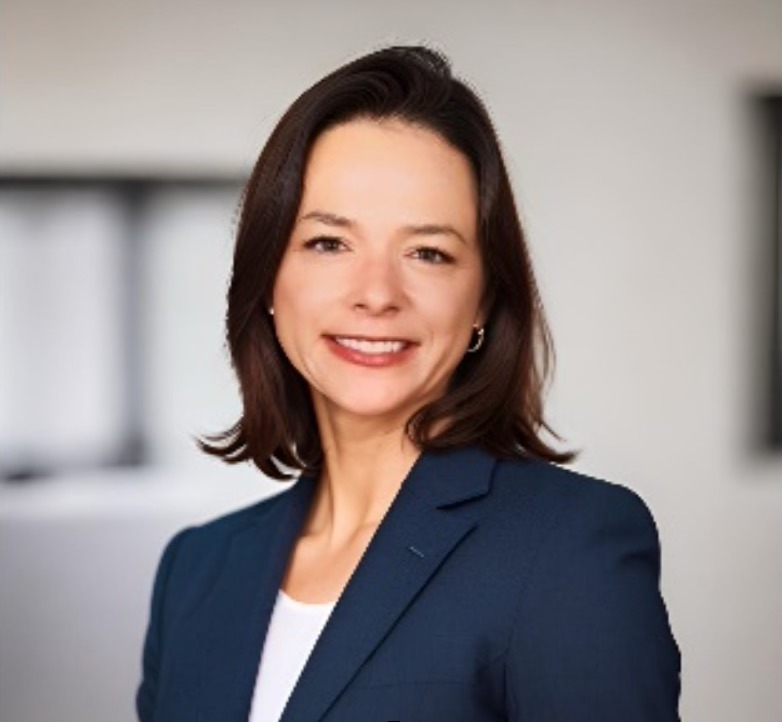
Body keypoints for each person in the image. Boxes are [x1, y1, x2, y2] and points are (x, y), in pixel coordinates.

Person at [136, 46, 681, 721]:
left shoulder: (566, 548)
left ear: (482, 300)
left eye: (429, 252)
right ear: (269, 278)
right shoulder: (196, 571)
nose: (376, 294)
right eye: (329, 243)